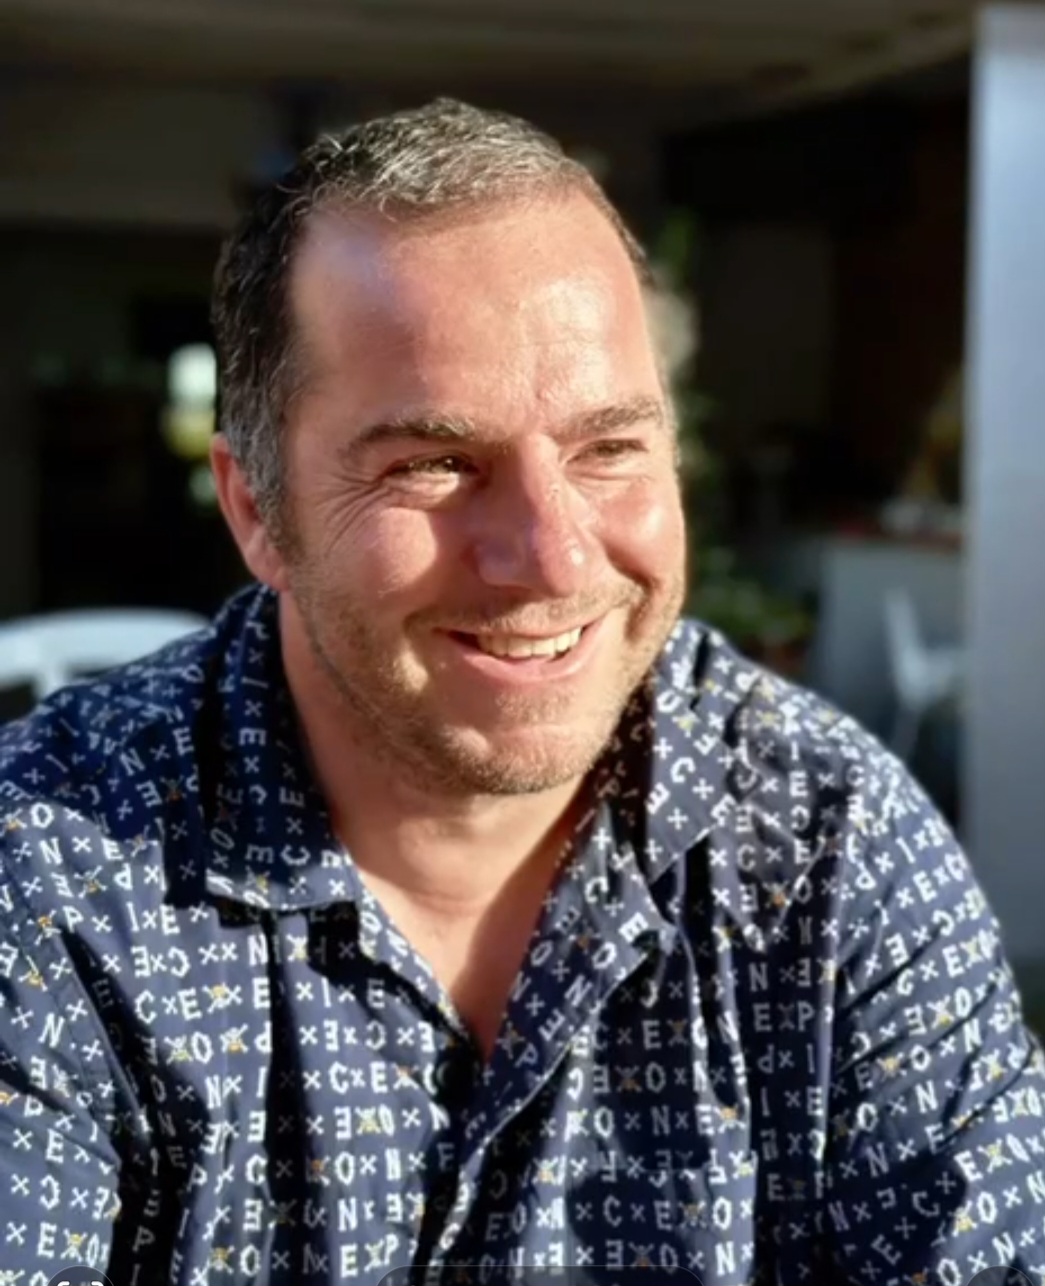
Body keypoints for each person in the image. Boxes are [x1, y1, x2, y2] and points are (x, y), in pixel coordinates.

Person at [0, 99, 1043, 1286]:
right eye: (435, 463)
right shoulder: (52, 876)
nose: (552, 560)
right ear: (256, 510)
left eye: (609, 449)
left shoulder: (824, 844)